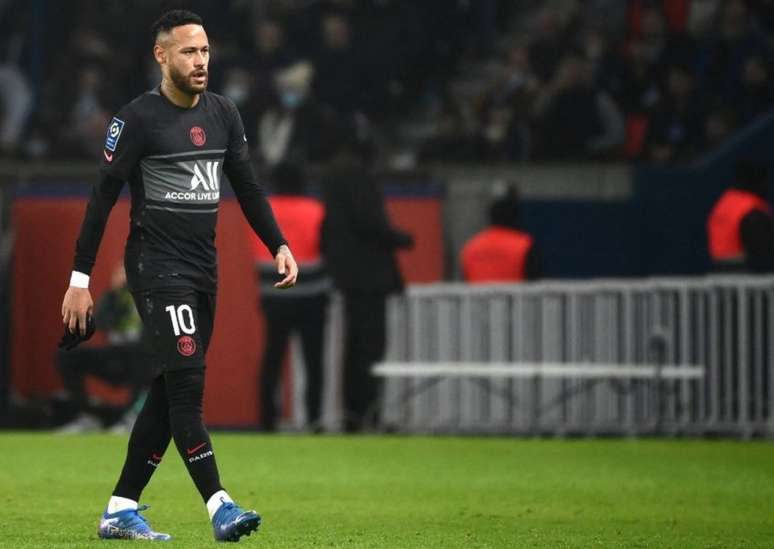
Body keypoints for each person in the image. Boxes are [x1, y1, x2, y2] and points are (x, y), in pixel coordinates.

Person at [59, 10, 298, 542]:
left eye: (206, 51)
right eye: (189, 52)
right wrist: (79, 279)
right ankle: (220, 505)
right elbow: (101, 199)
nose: (201, 62)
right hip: (156, 267)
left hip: (202, 270)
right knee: (188, 388)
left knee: (169, 391)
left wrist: (278, 243)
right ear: (161, 56)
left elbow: (250, 188)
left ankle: (120, 507)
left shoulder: (224, 114)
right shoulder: (137, 119)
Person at [320, 135, 413, 432]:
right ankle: (370, 413)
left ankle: (354, 414)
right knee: (372, 349)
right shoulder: (358, 176)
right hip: (370, 277)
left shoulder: (333, 176)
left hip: (348, 276)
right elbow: (369, 223)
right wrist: (402, 239)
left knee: (354, 348)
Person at [250, 162, 329, 432]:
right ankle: (315, 420)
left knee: (272, 359)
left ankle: (267, 422)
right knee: (313, 360)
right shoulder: (316, 210)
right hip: (312, 295)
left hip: (274, 295)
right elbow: (325, 249)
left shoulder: (264, 208)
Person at [57, 264, 150, 434]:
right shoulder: (114, 297)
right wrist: (114, 294)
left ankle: (133, 417)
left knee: (145, 355)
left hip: (144, 357)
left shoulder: (151, 298)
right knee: (67, 355)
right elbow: (101, 321)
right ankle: (87, 415)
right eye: (121, 273)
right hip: (116, 354)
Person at [460, 187, 539, 283]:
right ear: (515, 217)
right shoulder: (524, 245)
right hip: (515, 297)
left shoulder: (471, 247)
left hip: (478, 298)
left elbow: (465, 282)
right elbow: (534, 285)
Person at [707, 162, 774, 273]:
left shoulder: (724, 203)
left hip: (720, 273)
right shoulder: (750, 211)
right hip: (747, 276)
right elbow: (764, 253)